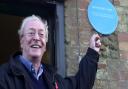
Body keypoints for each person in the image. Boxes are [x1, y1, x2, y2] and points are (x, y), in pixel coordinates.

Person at [0, 15, 101, 89]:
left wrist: (92, 53)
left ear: (45, 45)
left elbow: (80, 84)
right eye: (31, 33)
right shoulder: (4, 75)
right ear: (22, 41)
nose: (36, 38)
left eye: (41, 34)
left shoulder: (53, 79)